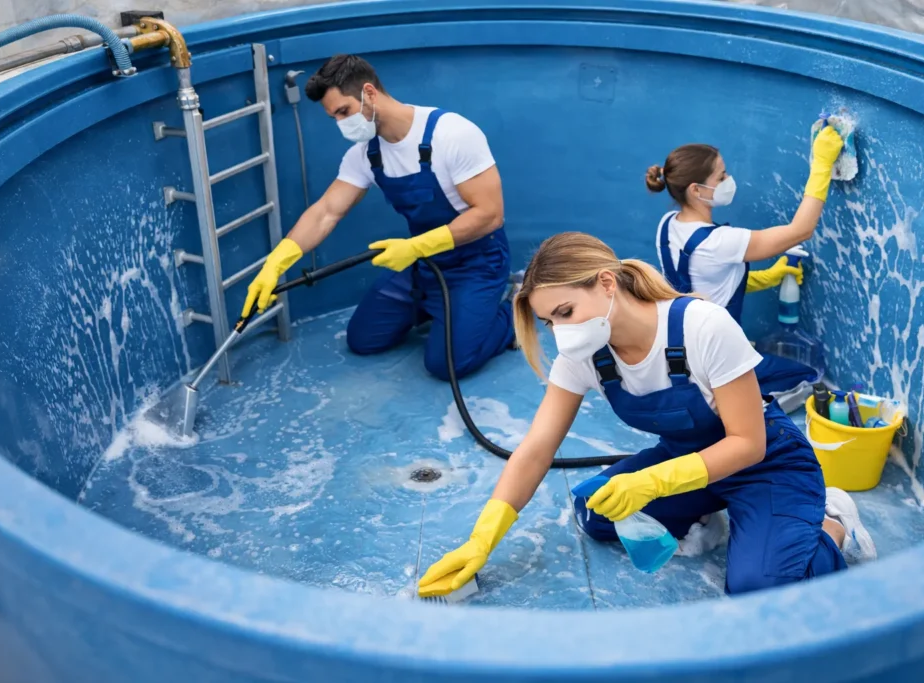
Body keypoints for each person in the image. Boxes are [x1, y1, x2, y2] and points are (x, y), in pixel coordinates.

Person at [417, 232, 875, 598]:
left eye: (565, 312)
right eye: (550, 323)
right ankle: (708, 514)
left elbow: (748, 444)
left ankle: (834, 523)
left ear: (606, 283)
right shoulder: (585, 354)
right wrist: (482, 541)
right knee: (594, 512)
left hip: (764, 464)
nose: (561, 332)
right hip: (688, 466)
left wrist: (652, 482)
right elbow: (537, 448)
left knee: (759, 590)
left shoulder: (701, 326)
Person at [241, 54, 514, 381]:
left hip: (477, 262)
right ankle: (442, 311)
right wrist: (277, 262)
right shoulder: (367, 154)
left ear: (368, 92)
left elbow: (490, 215)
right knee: (363, 339)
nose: (342, 124)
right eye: (334, 118)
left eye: (343, 111)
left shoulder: (451, 134)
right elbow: (327, 211)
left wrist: (415, 247)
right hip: (425, 266)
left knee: (447, 365)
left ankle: (514, 311)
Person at [645, 125, 844, 409]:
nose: (729, 180)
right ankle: (730, 407)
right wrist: (823, 163)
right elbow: (801, 230)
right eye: (721, 176)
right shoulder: (720, 242)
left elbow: (699, 282)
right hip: (716, 359)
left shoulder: (667, 226)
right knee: (807, 379)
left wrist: (768, 277)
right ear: (696, 190)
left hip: (682, 354)